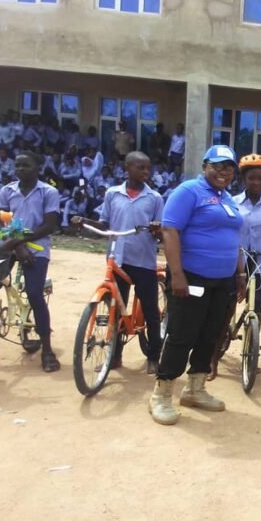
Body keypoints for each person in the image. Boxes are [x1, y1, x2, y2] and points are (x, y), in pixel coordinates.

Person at [148, 145, 245, 426]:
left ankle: (195, 389)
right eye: (217, 166)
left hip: (223, 281)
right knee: (182, 335)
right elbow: (170, 231)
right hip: (191, 277)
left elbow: (234, 239)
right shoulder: (189, 191)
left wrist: (239, 274)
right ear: (205, 166)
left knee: (210, 335)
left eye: (229, 167)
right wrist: (177, 274)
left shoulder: (228, 199)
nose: (224, 172)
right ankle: (161, 395)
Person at [72, 152, 164, 374]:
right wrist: (84, 221)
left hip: (143, 261)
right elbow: (105, 224)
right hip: (119, 258)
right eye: (140, 168)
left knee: (151, 311)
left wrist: (156, 228)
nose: (145, 172)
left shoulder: (154, 198)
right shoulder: (113, 194)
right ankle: (114, 356)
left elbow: (161, 231)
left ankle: (154, 356)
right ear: (127, 169)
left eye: (148, 168)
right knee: (116, 310)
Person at [209, 154, 261, 380]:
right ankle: (213, 359)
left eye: (260, 179)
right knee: (225, 311)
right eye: (251, 178)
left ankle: (251, 352)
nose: (256, 182)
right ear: (244, 179)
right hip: (234, 262)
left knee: (256, 310)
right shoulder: (232, 202)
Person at [0, 151, 60, 371]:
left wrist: (20, 243)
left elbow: (49, 226)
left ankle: (48, 351)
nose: (20, 169)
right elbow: (1, 221)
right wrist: (17, 246)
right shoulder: (7, 191)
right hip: (10, 244)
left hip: (37, 246)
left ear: (37, 168)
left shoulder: (48, 192)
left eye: (26, 165)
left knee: (34, 293)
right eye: (18, 165)